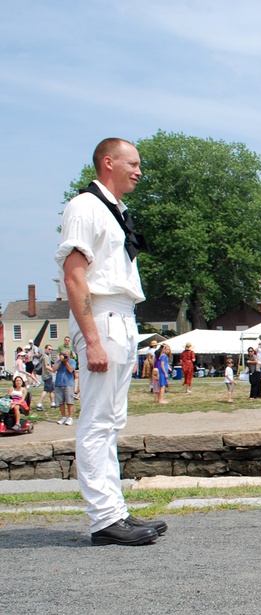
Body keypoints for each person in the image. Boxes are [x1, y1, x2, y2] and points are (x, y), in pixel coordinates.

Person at [55, 137, 165, 545]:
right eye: (132, 163)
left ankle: (115, 509)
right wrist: (93, 340)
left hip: (121, 315)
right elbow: (74, 275)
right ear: (108, 163)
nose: (139, 171)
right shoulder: (85, 207)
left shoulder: (114, 211)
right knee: (98, 420)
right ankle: (104, 518)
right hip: (102, 316)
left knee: (113, 420)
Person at [54, 350, 76, 425]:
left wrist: (66, 362)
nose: (65, 356)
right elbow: (54, 369)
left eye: (66, 354)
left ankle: (70, 417)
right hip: (58, 383)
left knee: (69, 401)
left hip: (68, 384)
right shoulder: (58, 361)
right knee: (61, 402)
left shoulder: (72, 361)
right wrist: (60, 361)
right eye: (63, 354)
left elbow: (71, 370)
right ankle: (63, 417)